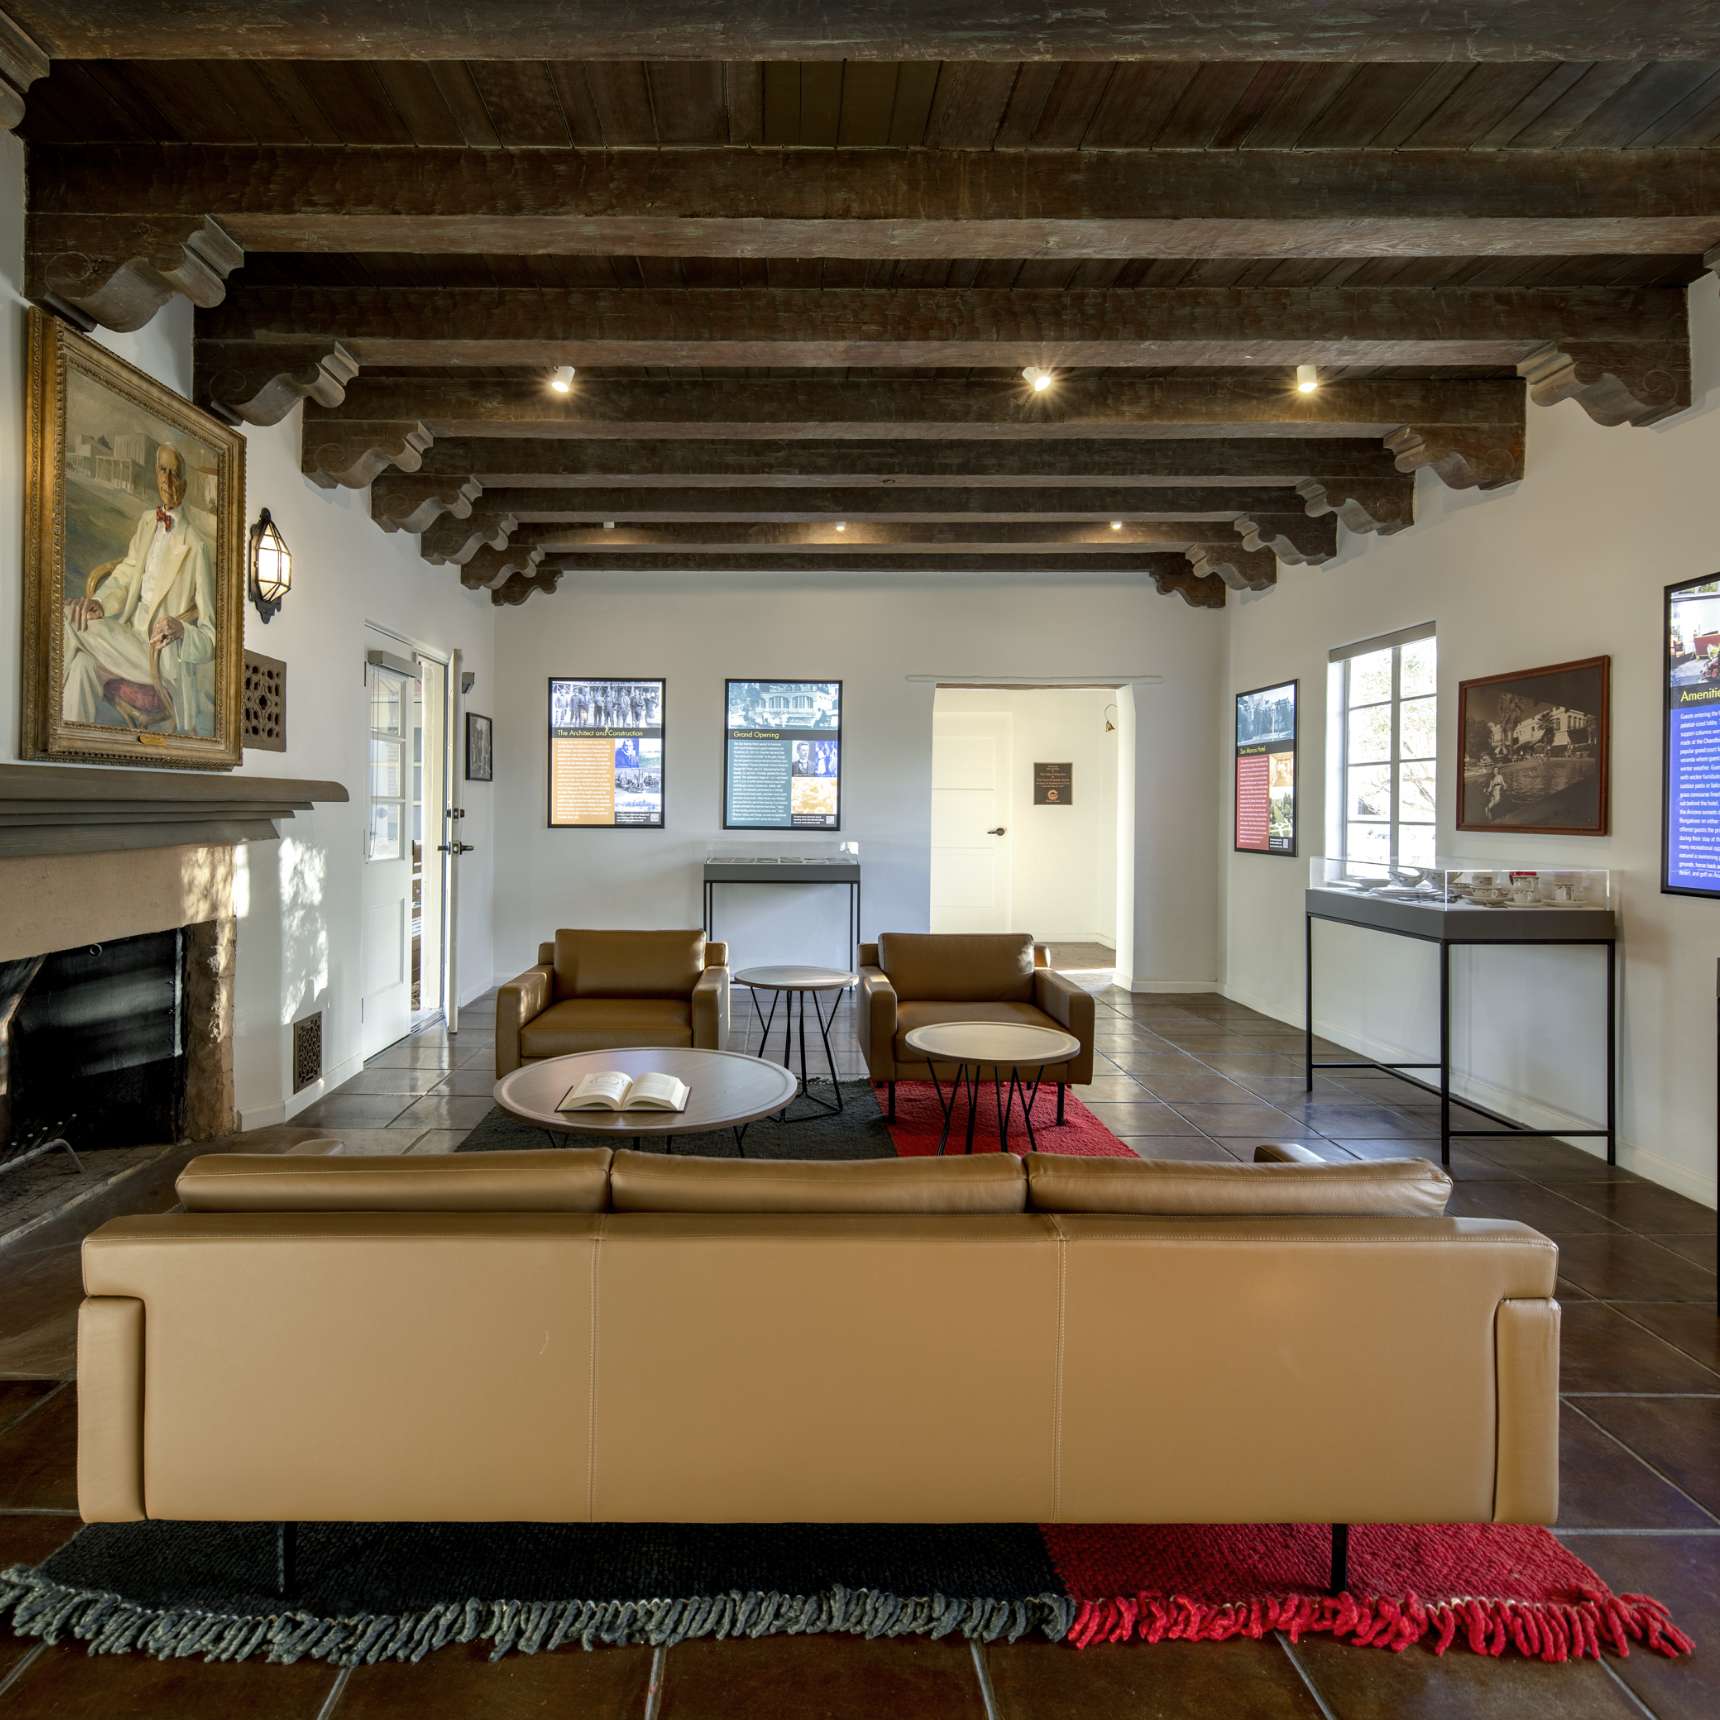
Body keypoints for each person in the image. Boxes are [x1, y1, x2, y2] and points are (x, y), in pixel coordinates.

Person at [62, 443, 218, 735]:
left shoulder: (196, 547)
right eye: (163, 470)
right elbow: (125, 575)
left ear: (184, 483)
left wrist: (182, 630)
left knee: (69, 616)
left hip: (158, 657)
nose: (168, 480)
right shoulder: (147, 521)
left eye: (175, 473)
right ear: (156, 475)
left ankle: (38, 703)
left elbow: (211, 639)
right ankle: (71, 744)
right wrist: (101, 603)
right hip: (126, 638)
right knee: (82, 665)